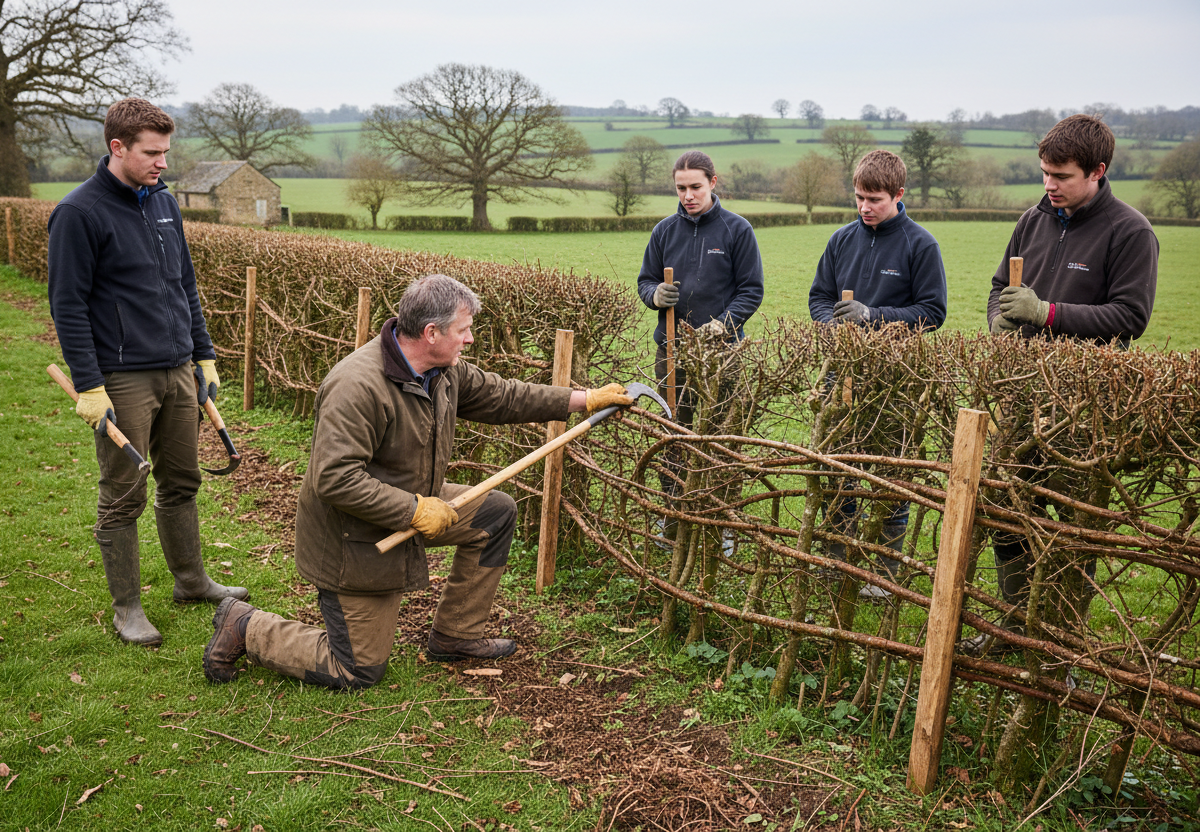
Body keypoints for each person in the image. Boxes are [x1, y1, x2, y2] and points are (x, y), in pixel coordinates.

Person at [202, 275, 633, 688]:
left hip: (410, 505)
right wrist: (414, 509)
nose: (469, 339)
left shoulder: (442, 371)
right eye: (463, 331)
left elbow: (504, 396)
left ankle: (456, 634)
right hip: (354, 538)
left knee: (495, 513)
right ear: (431, 332)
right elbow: (333, 478)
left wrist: (584, 399)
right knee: (356, 668)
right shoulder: (357, 386)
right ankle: (246, 624)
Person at [47, 98, 247, 648]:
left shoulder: (163, 203)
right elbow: (67, 304)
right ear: (118, 147)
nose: (163, 163)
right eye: (152, 153)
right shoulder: (79, 213)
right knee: (123, 492)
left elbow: (184, 284)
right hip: (122, 377)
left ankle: (192, 581)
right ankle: (128, 608)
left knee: (182, 480)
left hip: (178, 369)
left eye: (166, 152)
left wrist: (201, 355)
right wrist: (89, 384)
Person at [969, 113, 1158, 655]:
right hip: (1021, 392)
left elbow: (1130, 317)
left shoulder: (1130, 231)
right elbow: (996, 286)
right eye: (1045, 173)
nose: (1049, 185)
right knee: (1008, 508)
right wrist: (998, 320)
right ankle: (1013, 627)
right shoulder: (1034, 218)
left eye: (1062, 175)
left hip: (1081, 406)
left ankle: (1060, 648)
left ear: (1097, 171)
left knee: (1070, 532)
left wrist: (1046, 311)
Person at [808, 149, 947, 599]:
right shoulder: (841, 240)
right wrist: (833, 329)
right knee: (839, 468)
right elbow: (818, 298)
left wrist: (872, 317)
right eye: (859, 198)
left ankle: (886, 573)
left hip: (895, 377)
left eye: (875, 199)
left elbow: (932, 311)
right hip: (841, 373)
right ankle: (837, 561)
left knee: (892, 473)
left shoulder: (919, 245)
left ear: (899, 195)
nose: (865, 207)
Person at [636, 151, 763, 543]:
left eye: (695, 187)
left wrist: (721, 326)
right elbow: (644, 282)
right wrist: (655, 294)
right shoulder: (664, 232)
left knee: (720, 436)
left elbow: (751, 291)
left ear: (713, 182)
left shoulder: (736, 230)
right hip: (671, 350)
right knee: (673, 429)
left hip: (721, 353)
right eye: (680, 188)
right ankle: (671, 519)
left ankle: (719, 526)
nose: (688, 195)